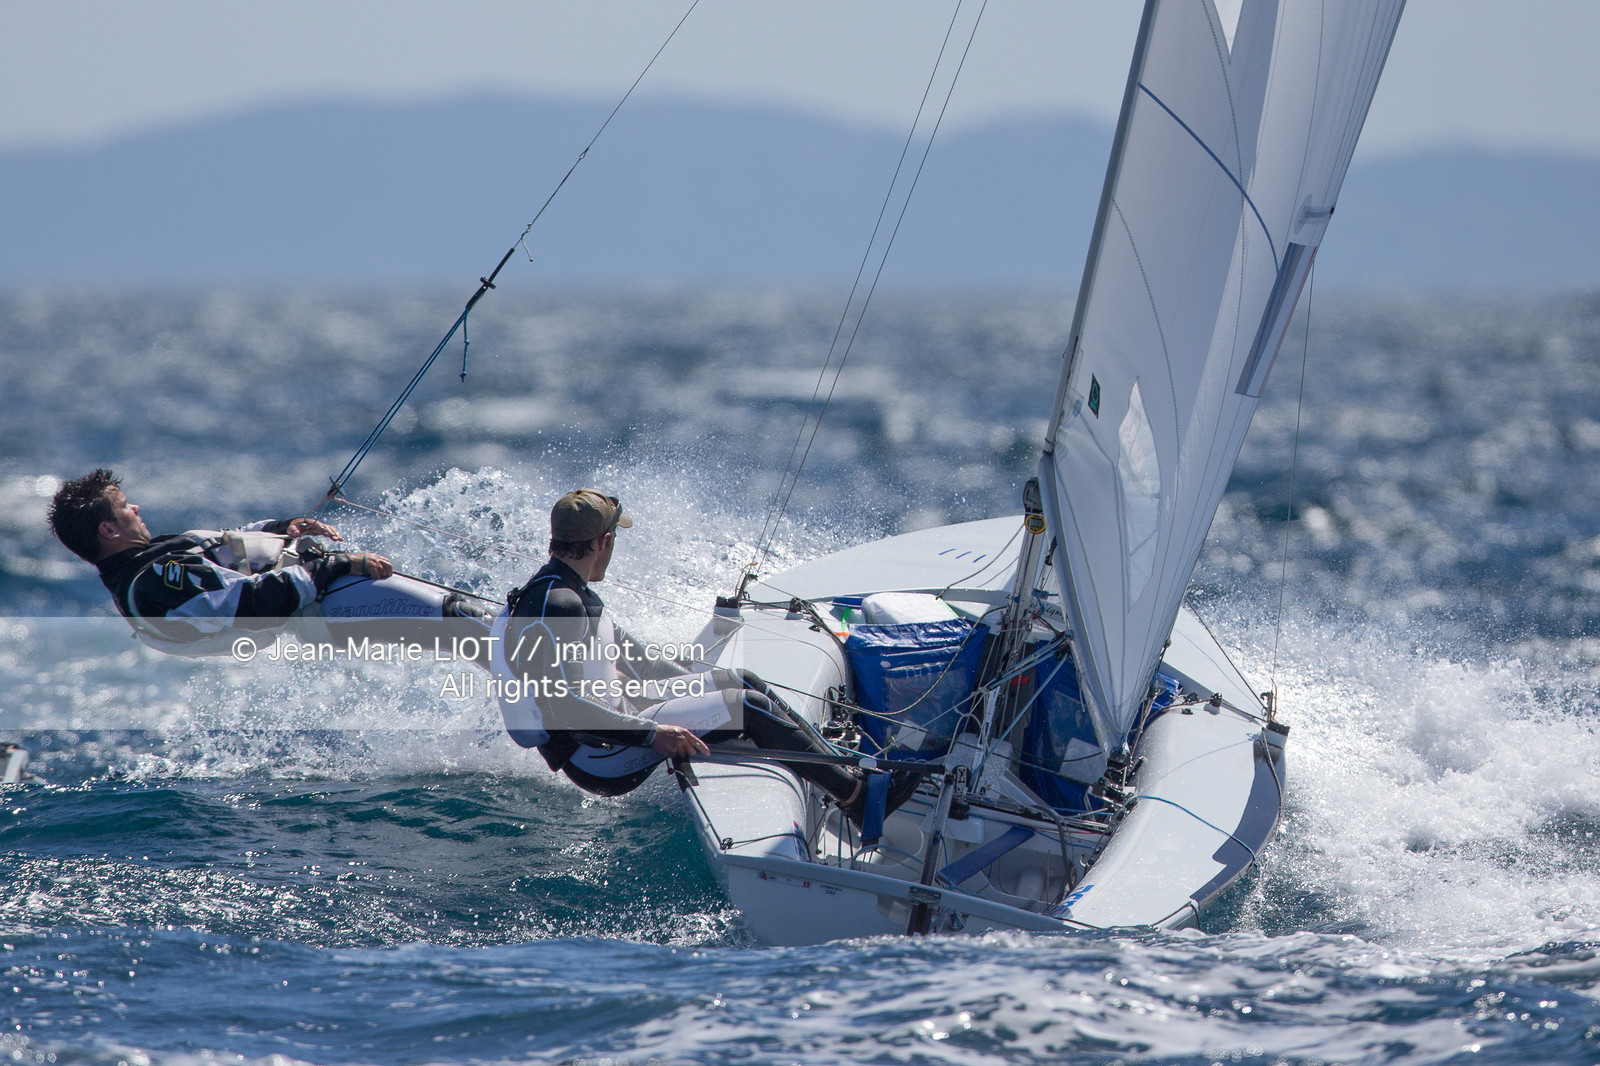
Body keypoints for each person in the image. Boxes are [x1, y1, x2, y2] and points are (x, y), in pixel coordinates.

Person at [490, 488, 918, 829]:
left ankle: (851, 773)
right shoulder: (558, 605)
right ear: (604, 542)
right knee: (747, 708)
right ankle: (858, 800)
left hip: (615, 723)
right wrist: (653, 733)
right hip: (599, 759)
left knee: (742, 682)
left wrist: (708, 687)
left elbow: (644, 663)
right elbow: (559, 709)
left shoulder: (565, 589)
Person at [47, 468, 492, 658]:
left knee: (471, 626)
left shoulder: (150, 564)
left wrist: (283, 526)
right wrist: (339, 565)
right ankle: (558, 721)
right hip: (324, 608)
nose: (136, 508)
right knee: (466, 621)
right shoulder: (157, 581)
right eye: (125, 507)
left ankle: (550, 699)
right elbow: (254, 604)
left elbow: (224, 549)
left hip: (322, 596)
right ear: (109, 530)